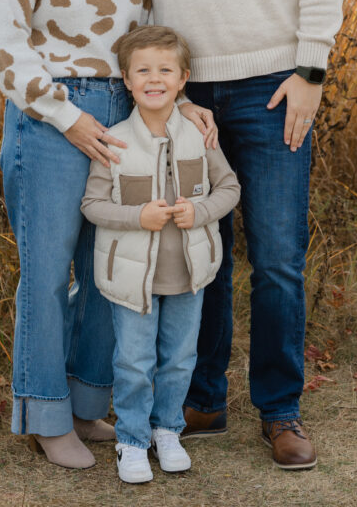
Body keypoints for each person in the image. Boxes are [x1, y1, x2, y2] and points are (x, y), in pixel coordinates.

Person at [129, 0, 349, 470]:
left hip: (271, 84)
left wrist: (310, 69)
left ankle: (280, 410)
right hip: (184, 93)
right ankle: (203, 398)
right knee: (202, 250)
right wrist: (162, 91)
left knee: (279, 255)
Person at [0, 0, 216, 470]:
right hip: (51, 117)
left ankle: (86, 405)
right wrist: (64, 115)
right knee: (48, 268)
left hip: (122, 113)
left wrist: (178, 101)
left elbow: (148, 45)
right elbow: (3, 45)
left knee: (106, 266)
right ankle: (44, 413)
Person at [81, 25, 240, 483]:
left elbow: (229, 187)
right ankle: (131, 440)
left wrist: (202, 209)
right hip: (133, 280)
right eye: (143, 70)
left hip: (189, 274)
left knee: (179, 358)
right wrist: (137, 217)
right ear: (127, 80)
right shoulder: (114, 141)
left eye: (165, 70)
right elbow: (92, 205)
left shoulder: (199, 135)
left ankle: (166, 430)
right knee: (134, 362)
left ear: (183, 78)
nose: (155, 79)